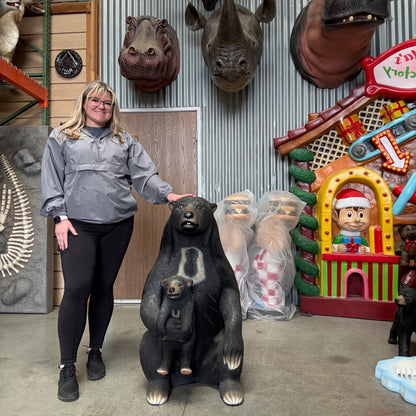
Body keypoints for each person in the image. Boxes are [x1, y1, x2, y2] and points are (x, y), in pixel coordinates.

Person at [40, 80, 192, 402]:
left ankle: (95, 351)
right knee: (78, 288)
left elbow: (145, 177)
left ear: (113, 108)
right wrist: (60, 218)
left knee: (103, 287)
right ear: (84, 103)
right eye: (95, 100)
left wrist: (168, 194)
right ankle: (67, 366)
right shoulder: (63, 137)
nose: (101, 106)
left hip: (118, 224)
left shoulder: (124, 140)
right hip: (77, 224)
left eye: (107, 103)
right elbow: (51, 178)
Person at [331, 188, 371, 254]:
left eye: (361, 215)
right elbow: (332, 247)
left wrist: (364, 249)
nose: (357, 219)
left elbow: (368, 249)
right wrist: (337, 248)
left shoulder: (362, 239)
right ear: (336, 216)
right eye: (349, 215)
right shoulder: (339, 238)